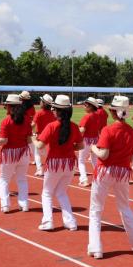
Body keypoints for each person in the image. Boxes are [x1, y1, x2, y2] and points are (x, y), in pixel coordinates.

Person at [89, 96, 133, 259]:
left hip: (104, 171)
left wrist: (93, 148)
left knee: (96, 210)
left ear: (113, 112)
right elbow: (132, 156)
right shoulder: (132, 132)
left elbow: (104, 155)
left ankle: (96, 248)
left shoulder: (108, 130)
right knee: (125, 208)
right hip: (122, 173)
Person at [32, 95, 84, 231]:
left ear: (58, 111)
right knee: (61, 192)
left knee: (47, 193)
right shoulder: (74, 126)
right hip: (69, 163)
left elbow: (40, 145)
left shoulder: (52, 126)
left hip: (55, 163)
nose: (52, 110)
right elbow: (81, 145)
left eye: (54, 108)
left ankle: (48, 221)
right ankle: (70, 222)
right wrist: (69, 147)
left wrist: (32, 139)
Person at [0, 94, 32, 213]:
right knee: (22, 179)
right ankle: (24, 204)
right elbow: (29, 139)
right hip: (23, 152)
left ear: (9, 106)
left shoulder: (6, 121)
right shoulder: (26, 120)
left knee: (4, 179)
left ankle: (5, 205)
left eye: (6, 106)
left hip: (9, 153)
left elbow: (4, 141)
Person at [78, 97, 100, 187]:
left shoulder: (87, 116)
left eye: (86, 105)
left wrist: (75, 132)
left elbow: (82, 130)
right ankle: (99, 178)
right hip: (95, 140)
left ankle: (84, 180)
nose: (84, 106)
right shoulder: (97, 116)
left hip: (86, 141)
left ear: (91, 106)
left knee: (81, 161)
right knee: (95, 161)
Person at [32, 94, 56, 176]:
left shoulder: (39, 113)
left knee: (37, 154)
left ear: (44, 103)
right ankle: (51, 168)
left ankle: (40, 170)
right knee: (48, 154)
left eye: (41, 101)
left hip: (40, 137)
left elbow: (33, 125)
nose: (40, 102)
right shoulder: (53, 113)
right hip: (51, 137)